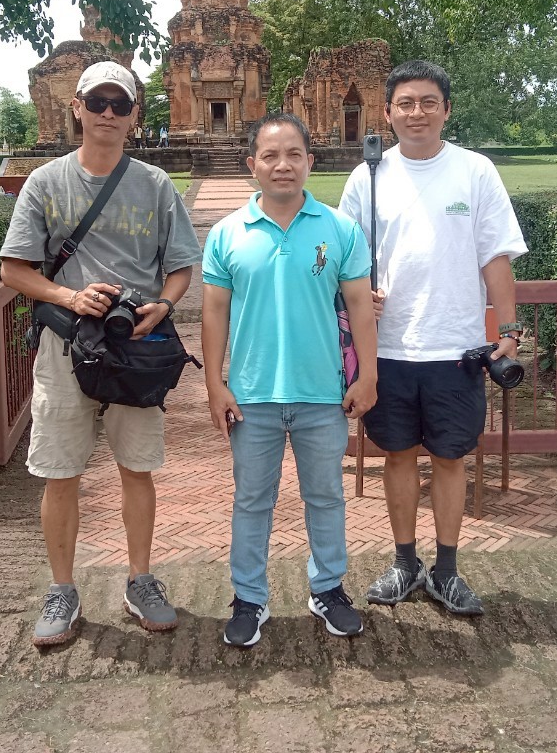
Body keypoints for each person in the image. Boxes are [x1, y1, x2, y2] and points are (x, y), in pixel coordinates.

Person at [0, 60, 201, 647]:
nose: (108, 113)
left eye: (120, 103)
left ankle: (140, 578)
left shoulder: (155, 184)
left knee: (137, 468)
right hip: (66, 345)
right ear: (77, 108)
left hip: (134, 346)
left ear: (135, 114)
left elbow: (183, 265)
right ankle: (62, 587)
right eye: (98, 102)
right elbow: (14, 269)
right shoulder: (46, 182)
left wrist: (164, 305)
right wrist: (69, 295)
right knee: (61, 473)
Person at [339, 60, 527, 617]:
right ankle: (404, 562)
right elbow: (347, 256)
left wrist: (509, 329)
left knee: (450, 458)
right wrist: (356, 294)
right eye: (405, 103)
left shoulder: (474, 171)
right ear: (389, 112)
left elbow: (494, 255)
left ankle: (446, 569)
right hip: (388, 348)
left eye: (427, 102)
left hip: (456, 346)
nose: (416, 112)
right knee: (396, 455)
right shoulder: (368, 175)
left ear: (446, 109)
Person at [202, 113, 378, 647]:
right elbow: (214, 315)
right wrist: (215, 384)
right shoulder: (227, 234)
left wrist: (367, 375)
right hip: (252, 394)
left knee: (324, 497)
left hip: (322, 392)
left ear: (310, 160)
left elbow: (359, 308)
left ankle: (328, 589)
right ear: (252, 163)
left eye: (294, 154)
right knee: (252, 500)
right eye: (271, 156)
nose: (283, 165)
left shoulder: (339, 229)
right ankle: (249, 598)